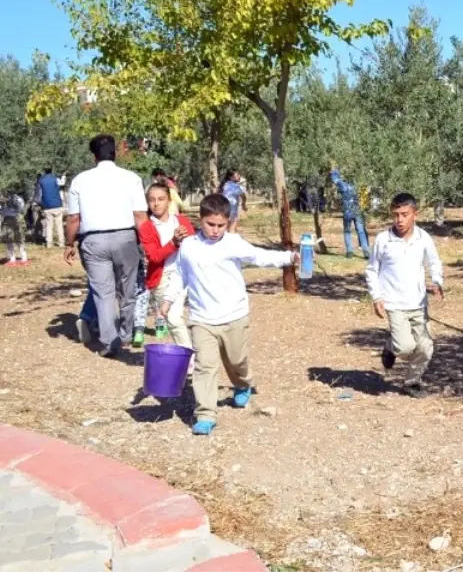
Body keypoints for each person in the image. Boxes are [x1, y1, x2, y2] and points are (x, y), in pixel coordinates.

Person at [177, 193, 298, 435]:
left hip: (234, 315)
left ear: (228, 222)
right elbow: (180, 275)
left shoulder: (232, 243)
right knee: (204, 367)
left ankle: (242, 383)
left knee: (236, 360)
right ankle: (205, 413)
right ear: (200, 220)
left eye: (220, 225)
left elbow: (259, 256)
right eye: (210, 224)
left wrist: (289, 257)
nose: (215, 230)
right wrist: (169, 300)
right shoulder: (189, 246)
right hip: (202, 319)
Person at [65, 135, 148, 357]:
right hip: (126, 238)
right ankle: (126, 334)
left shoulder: (80, 180)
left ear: (94, 156)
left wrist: (68, 243)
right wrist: (148, 243)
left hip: (93, 241)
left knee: (103, 293)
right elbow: (140, 215)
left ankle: (109, 341)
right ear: (116, 153)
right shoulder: (131, 178)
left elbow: (74, 218)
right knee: (127, 289)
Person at [365, 192, 444, 396]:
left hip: (418, 303)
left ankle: (412, 382)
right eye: (396, 215)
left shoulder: (423, 238)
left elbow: (433, 262)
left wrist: (437, 281)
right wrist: (377, 297)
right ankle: (391, 346)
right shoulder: (383, 240)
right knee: (405, 347)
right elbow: (372, 270)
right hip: (394, 303)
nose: (399, 220)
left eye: (404, 214)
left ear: (414, 215)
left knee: (426, 348)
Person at [137, 183, 195, 353]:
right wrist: (173, 243)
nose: (156, 204)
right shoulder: (146, 228)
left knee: (181, 318)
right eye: (152, 200)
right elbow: (154, 256)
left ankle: (193, 356)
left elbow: (194, 247)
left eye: (161, 199)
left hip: (185, 273)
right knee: (172, 318)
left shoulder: (182, 221)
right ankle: (189, 356)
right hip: (162, 277)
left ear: (169, 200)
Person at [330, 164, 370, 259]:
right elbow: (363, 198)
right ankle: (366, 251)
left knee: (347, 231)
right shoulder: (357, 186)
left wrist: (333, 171)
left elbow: (335, 179)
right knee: (360, 231)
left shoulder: (342, 185)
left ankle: (349, 251)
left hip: (347, 211)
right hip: (356, 210)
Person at [35, 167, 66, 248]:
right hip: (57, 205)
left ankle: (49, 243)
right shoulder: (55, 179)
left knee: (49, 225)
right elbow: (62, 183)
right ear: (51, 171)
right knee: (59, 225)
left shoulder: (41, 180)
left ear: (44, 171)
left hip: (47, 205)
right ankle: (61, 243)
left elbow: (39, 192)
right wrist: (63, 176)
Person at [2, 188, 28, 266]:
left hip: (13, 219)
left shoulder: (14, 199)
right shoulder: (19, 199)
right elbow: (21, 209)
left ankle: (16, 258)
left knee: (13, 239)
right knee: (15, 239)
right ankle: (21, 258)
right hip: (15, 218)